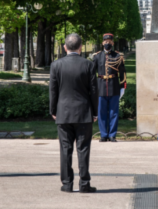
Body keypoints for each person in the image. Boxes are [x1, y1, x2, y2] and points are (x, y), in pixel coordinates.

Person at [50, 33, 98, 193]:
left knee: (65, 149)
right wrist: (95, 111)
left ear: (65, 47)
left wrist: (53, 110)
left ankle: (67, 184)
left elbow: (53, 91)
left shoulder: (56, 65)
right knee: (83, 149)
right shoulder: (88, 65)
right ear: (80, 47)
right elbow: (93, 91)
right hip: (84, 113)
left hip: (63, 112)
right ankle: (84, 184)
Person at [91, 33, 127, 142]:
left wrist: (122, 87)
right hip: (101, 87)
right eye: (105, 42)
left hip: (114, 86)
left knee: (113, 112)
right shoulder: (97, 56)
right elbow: (92, 73)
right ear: (102, 43)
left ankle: (112, 135)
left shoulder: (118, 56)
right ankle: (103, 134)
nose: (107, 43)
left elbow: (123, 73)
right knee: (101, 112)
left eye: (109, 42)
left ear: (113, 43)